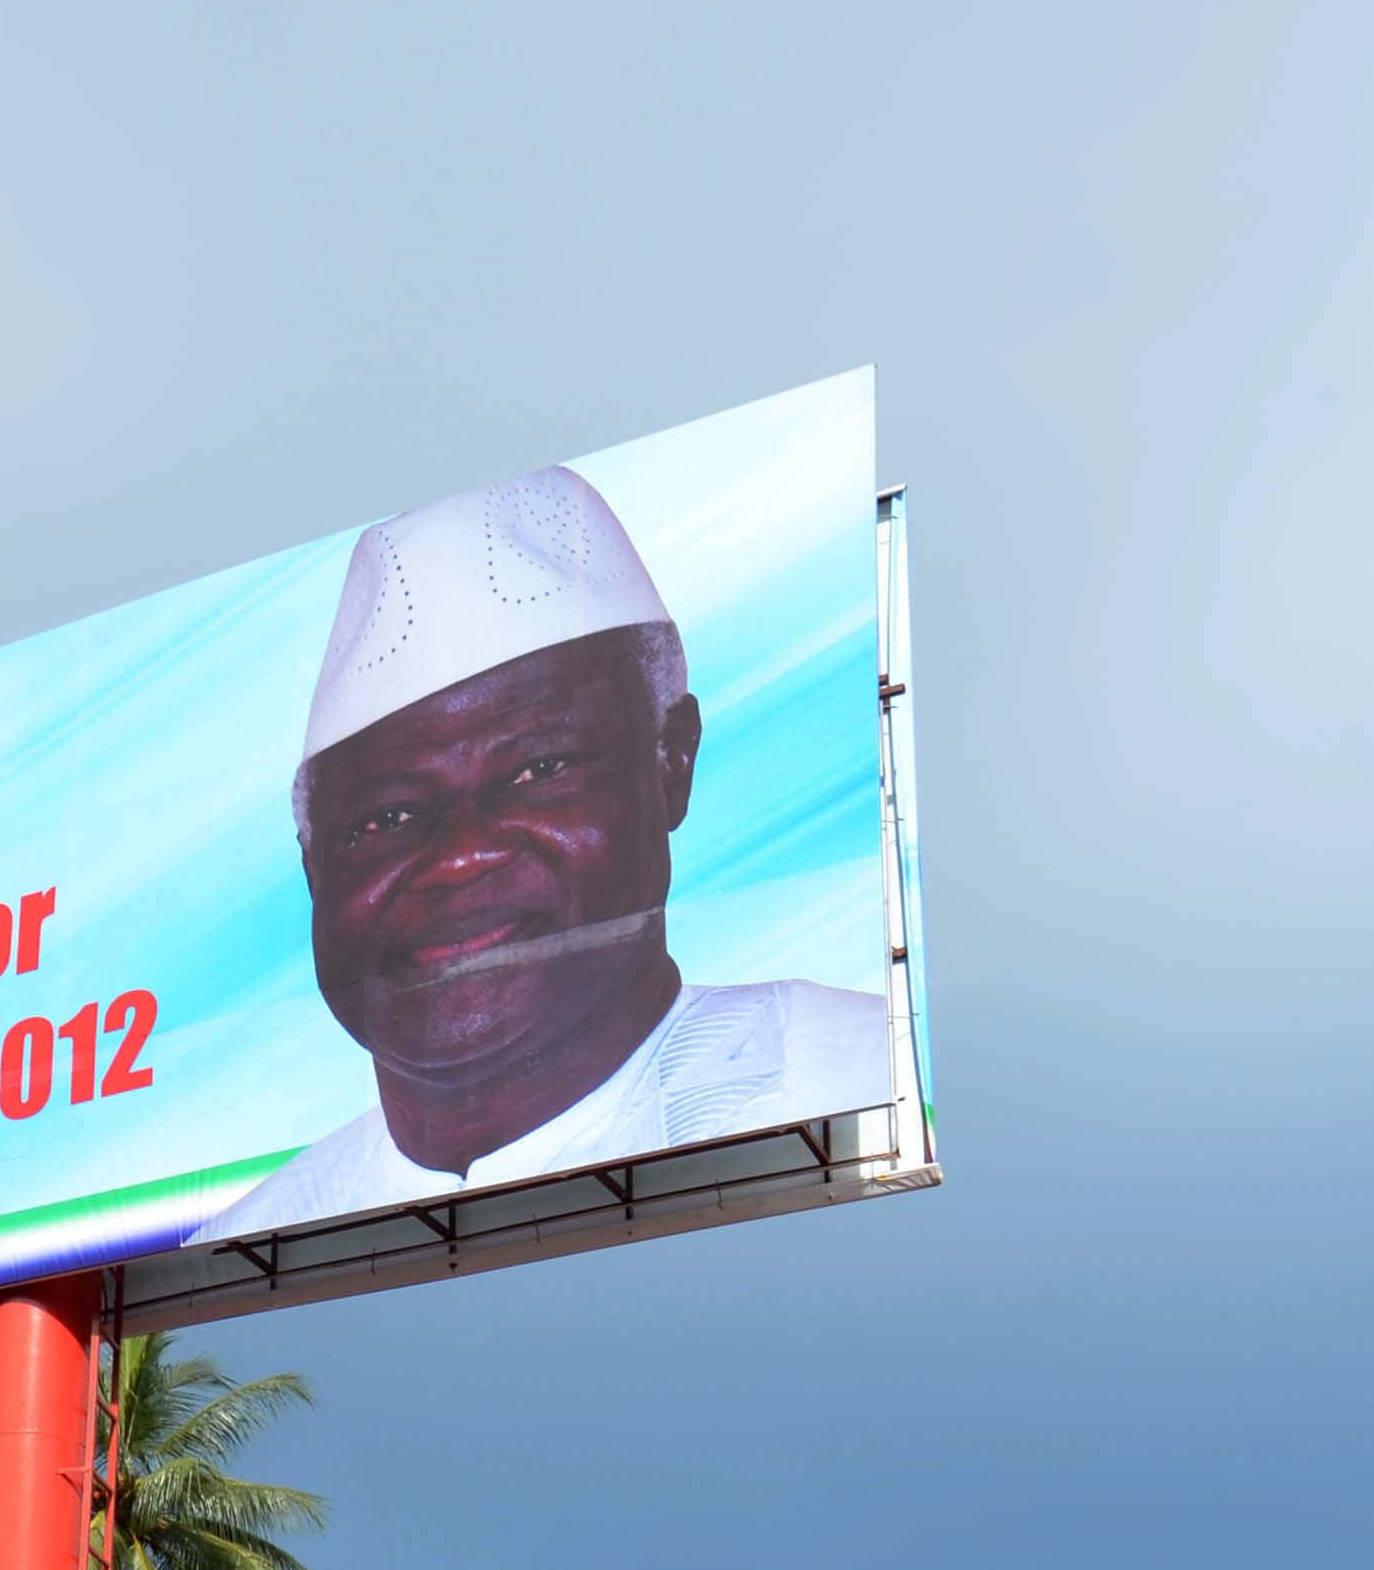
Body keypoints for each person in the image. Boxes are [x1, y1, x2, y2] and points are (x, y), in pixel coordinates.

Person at [190, 464, 893, 1247]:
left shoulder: (858, 1077)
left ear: (672, 764)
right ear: (313, 867)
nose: (461, 855)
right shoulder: (256, 1241)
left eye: (540, 770)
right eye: (388, 816)